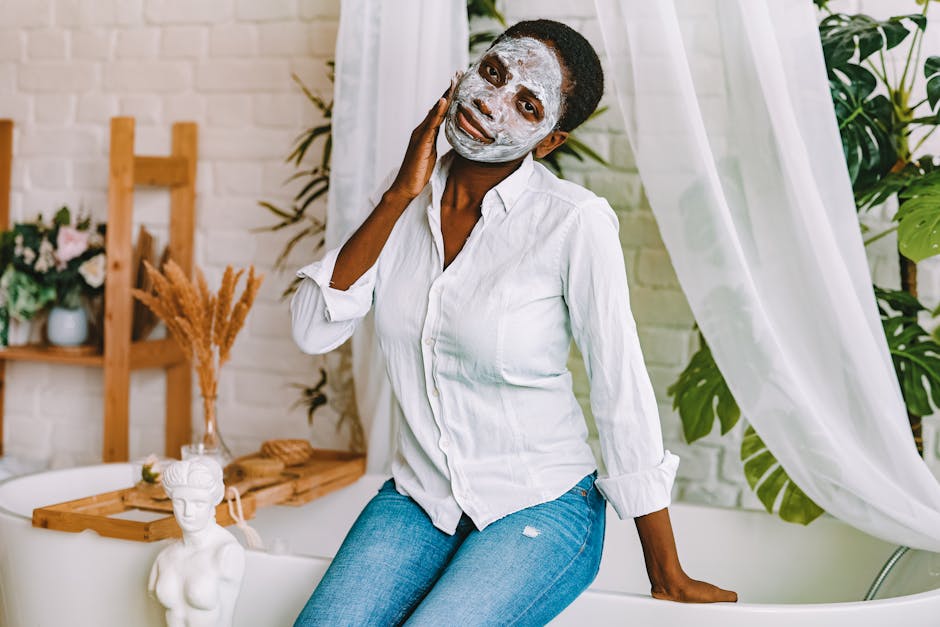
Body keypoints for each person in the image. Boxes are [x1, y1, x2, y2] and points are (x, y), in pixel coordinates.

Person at [290, 18, 737, 626]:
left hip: (543, 504)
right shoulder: (400, 199)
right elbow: (313, 329)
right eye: (493, 73)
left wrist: (667, 573)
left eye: (526, 105)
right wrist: (398, 196)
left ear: (548, 141)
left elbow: (620, 389)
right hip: (419, 499)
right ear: (469, 68)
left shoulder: (573, 222)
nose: (490, 103)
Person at [148, 457, 245, 627]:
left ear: (212, 503)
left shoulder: (226, 553)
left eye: (198, 503)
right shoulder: (165, 557)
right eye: (179, 502)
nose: (187, 512)